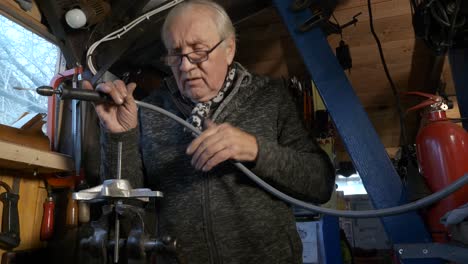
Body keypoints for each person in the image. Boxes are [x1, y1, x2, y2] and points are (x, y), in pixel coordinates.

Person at [84, 0, 335, 263]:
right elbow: (124, 215)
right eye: (176, 54)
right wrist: (119, 136)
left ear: (229, 49)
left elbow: (320, 184)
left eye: (198, 52)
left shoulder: (270, 98)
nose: (185, 66)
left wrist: (255, 149)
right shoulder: (149, 110)